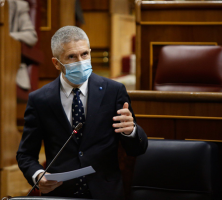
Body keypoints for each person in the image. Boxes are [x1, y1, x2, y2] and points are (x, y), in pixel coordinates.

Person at [16, 26, 148, 200]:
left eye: (85, 54)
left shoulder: (113, 91)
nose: (80, 61)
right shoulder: (40, 100)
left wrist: (131, 131)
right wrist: (37, 175)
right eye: (71, 57)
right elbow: (25, 154)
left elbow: (137, 149)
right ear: (56, 63)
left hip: (106, 193)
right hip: (61, 194)